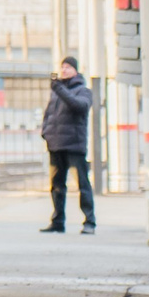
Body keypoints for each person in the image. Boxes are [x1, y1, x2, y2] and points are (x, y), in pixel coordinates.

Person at [40, 56, 97, 235]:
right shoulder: (56, 92)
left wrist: (59, 89)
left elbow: (79, 106)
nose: (64, 70)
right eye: (62, 67)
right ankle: (58, 221)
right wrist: (46, 133)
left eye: (68, 67)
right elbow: (48, 114)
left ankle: (89, 221)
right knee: (56, 185)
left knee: (82, 184)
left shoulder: (83, 91)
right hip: (56, 144)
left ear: (75, 70)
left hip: (74, 145)